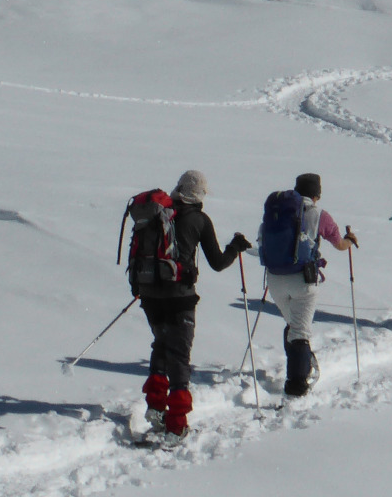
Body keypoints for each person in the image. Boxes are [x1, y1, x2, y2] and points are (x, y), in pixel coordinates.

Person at [139, 170, 251, 438]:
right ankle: (176, 425)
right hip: (180, 298)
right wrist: (235, 248)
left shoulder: (157, 214)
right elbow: (217, 263)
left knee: (161, 346)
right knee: (179, 356)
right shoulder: (199, 220)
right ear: (199, 194)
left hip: (150, 296)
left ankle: (155, 408)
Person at [261, 172, 358, 398]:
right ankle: (297, 385)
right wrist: (350, 240)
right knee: (300, 332)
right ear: (317, 194)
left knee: (292, 325)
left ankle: (300, 365)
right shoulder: (319, 214)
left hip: (274, 279)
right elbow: (339, 244)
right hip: (302, 280)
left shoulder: (277, 212)